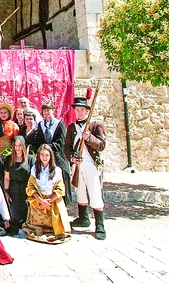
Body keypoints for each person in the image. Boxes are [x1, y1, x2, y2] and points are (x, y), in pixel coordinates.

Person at [64, 96, 107, 240]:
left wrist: (89, 138)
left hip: (91, 165)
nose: (80, 113)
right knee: (80, 191)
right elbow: (67, 147)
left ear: (87, 111)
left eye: (82, 110)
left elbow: (101, 145)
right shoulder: (71, 127)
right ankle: (83, 218)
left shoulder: (95, 126)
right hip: (78, 164)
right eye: (77, 110)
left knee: (94, 192)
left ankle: (100, 225)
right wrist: (72, 158)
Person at [22, 144, 71, 244]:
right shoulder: (35, 169)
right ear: (39, 156)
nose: (44, 157)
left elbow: (60, 189)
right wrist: (40, 200)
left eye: (47, 155)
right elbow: (30, 186)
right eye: (42, 155)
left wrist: (47, 202)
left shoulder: (57, 170)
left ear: (51, 156)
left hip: (52, 201)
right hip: (39, 200)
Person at [36, 102, 71, 204]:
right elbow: (39, 140)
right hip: (44, 157)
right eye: (45, 110)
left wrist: (49, 148)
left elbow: (61, 141)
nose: (46, 112)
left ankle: (63, 201)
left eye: (48, 110)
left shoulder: (59, 124)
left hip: (57, 155)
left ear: (53, 110)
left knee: (62, 174)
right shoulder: (41, 125)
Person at [4, 136, 35, 236]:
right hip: (14, 190)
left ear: (23, 146)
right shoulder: (9, 159)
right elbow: (7, 177)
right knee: (15, 219)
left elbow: (34, 177)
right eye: (15, 145)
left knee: (27, 218)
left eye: (19, 145)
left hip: (26, 189)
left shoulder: (30, 159)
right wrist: (6, 192)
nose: (17, 148)